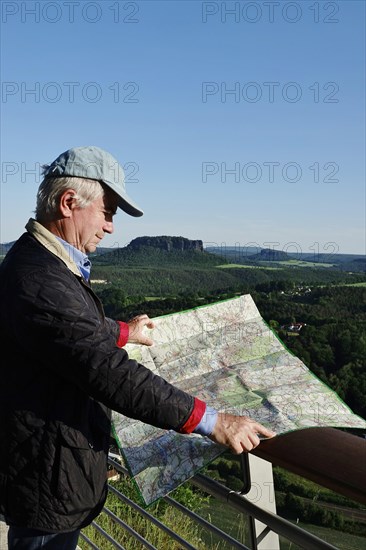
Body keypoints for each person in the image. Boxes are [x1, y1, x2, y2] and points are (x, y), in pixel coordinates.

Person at [0, 145, 275, 549]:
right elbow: (107, 370)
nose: (111, 227)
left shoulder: (38, 260)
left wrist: (123, 332)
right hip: (43, 474)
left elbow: (68, 332)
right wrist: (212, 421)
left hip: (40, 462)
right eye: (108, 211)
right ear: (68, 202)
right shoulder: (40, 279)